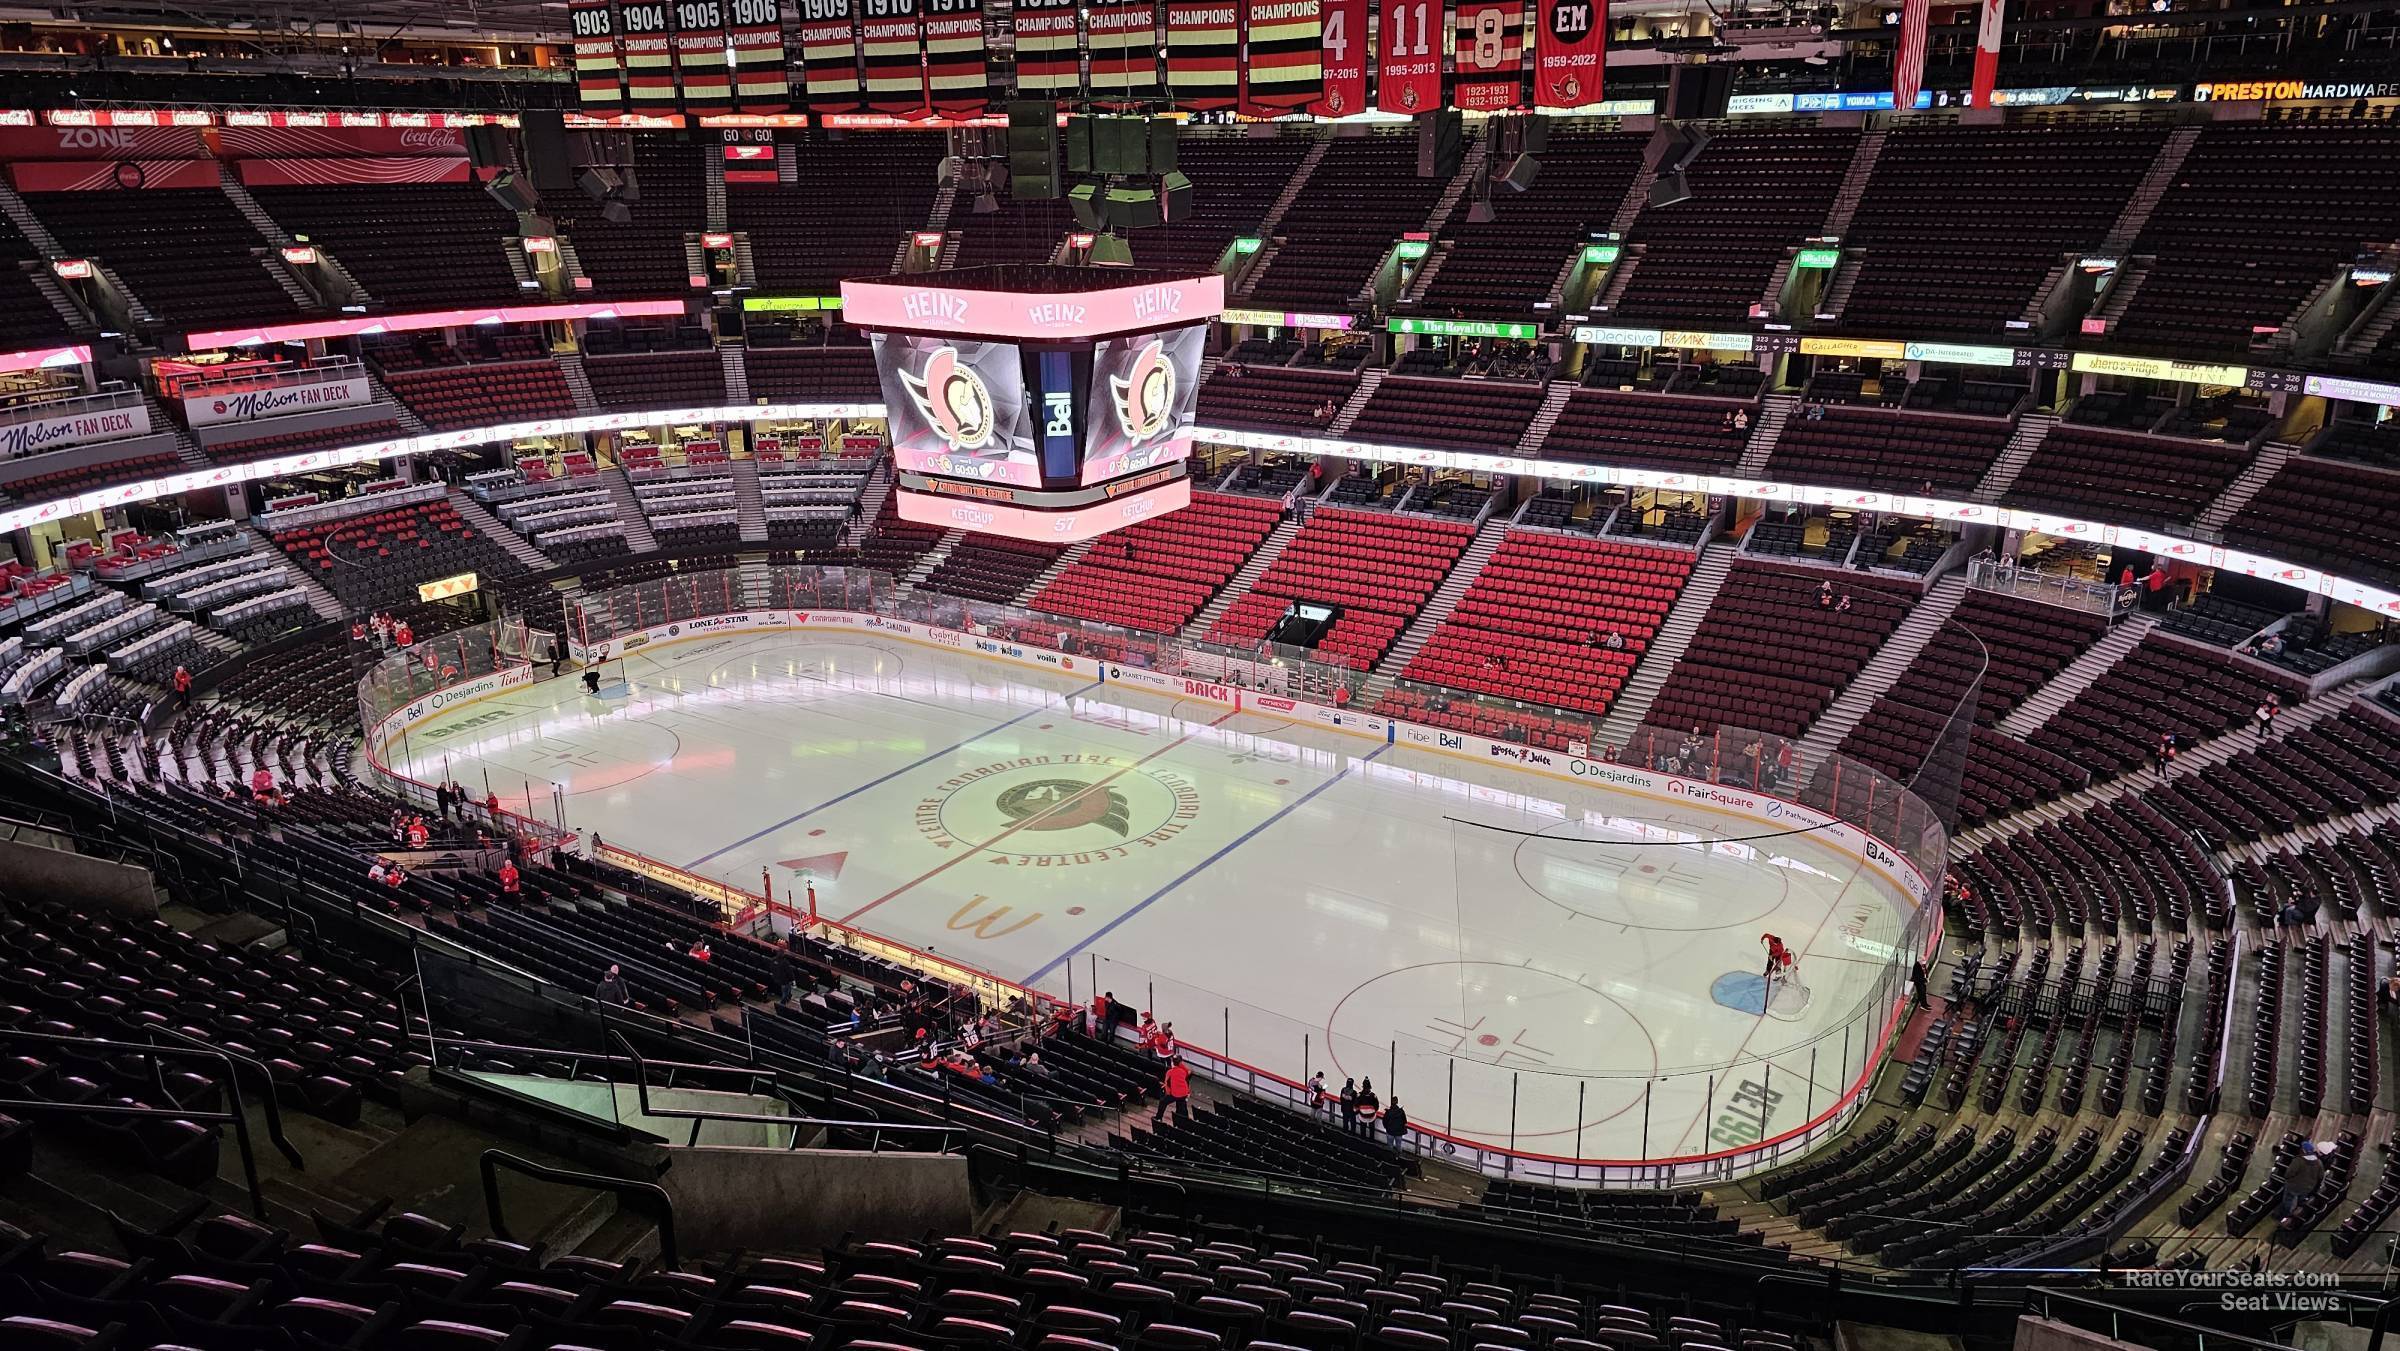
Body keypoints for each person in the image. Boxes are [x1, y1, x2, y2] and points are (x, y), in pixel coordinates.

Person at [2281, 1140, 2325, 1221]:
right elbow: (2321, 1176)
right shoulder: (2319, 1162)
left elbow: (2289, 1173)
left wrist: (2288, 1179)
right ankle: (2297, 1212)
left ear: (2303, 1150)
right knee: (2301, 1200)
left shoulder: (2298, 1160)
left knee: (2288, 1200)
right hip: (2308, 1187)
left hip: (2293, 1186)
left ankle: (2285, 1216)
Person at [1153, 1056, 1191, 1125]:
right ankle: (1186, 1120)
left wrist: (1168, 1093)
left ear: (1172, 1063)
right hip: (1184, 1093)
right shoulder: (1183, 1071)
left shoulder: (1169, 1072)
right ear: (1180, 1063)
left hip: (1175, 1094)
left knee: (1163, 1102)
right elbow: (1188, 1072)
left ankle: (1158, 1118)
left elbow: (1167, 1084)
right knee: (1182, 1106)